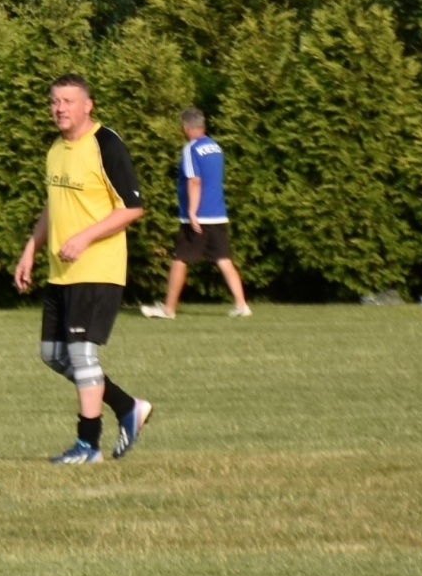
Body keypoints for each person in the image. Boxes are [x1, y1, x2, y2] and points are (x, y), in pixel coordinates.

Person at [13, 74, 153, 464]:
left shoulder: (105, 143)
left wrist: (86, 237)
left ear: (88, 105)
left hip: (98, 269)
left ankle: (87, 445)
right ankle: (128, 407)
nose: (60, 108)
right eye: (54, 101)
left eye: (68, 101)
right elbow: (52, 206)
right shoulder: (56, 149)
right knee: (52, 355)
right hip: (61, 272)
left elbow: (133, 207)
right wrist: (30, 249)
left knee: (81, 355)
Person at [140, 107, 251, 319]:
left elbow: (194, 180)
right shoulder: (215, 147)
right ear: (203, 125)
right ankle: (241, 304)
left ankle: (168, 309)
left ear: (185, 127)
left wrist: (191, 211)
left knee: (179, 259)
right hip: (218, 214)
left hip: (198, 216)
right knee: (223, 258)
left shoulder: (191, 149)